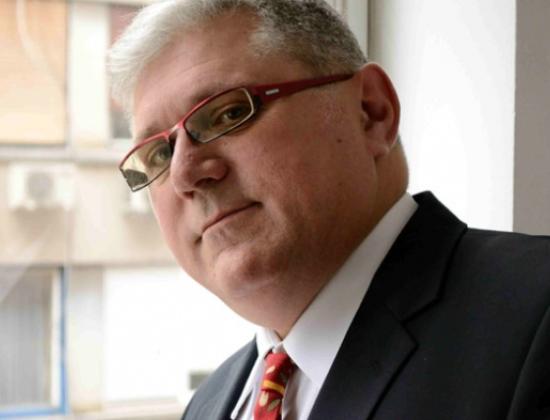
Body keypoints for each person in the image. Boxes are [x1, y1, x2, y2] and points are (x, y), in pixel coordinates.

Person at [108, 1, 550, 419]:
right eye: (159, 155)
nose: (185, 174)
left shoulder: (535, 317)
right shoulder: (208, 404)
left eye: (228, 114)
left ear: (371, 113)